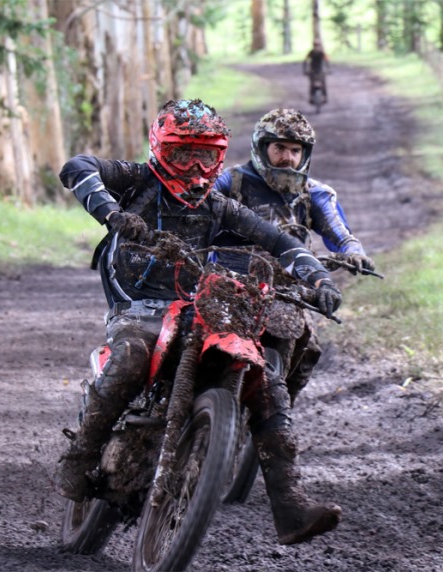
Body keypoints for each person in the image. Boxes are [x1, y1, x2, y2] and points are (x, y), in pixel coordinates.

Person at [55, 99, 342, 545]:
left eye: (206, 155)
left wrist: (319, 277)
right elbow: (77, 166)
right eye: (183, 152)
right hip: (137, 304)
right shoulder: (137, 180)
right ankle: (79, 456)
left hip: (193, 302)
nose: (194, 165)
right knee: (131, 356)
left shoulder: (219, 204)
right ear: (160, 149)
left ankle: (289, 505)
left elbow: (280, 240)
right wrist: (111, 214)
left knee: (268, 381)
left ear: (220, 156)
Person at [212, 108, 374, 403]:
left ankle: (274, 417)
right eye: (280, 148)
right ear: (262, 148)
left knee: (308, 350)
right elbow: (197, 215)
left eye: (295, 150)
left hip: (287, 290)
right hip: (228, 282)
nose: (287, 157)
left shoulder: (315, 193)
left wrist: (354, 253)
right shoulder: (229, 182)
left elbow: (339, 232)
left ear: (305, 154)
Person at [303, 40, 330, 105]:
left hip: (320, 71)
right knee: (312, 84)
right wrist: (305, 69)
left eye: (317, 45)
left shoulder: (322, 53)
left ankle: (324, 97)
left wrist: (328, 69)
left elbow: (327, 61)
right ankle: (311, 97)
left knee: (323, 84)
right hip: (313, 71)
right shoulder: (311, 52)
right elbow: (305, 61)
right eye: (315, 45)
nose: (316, 46)